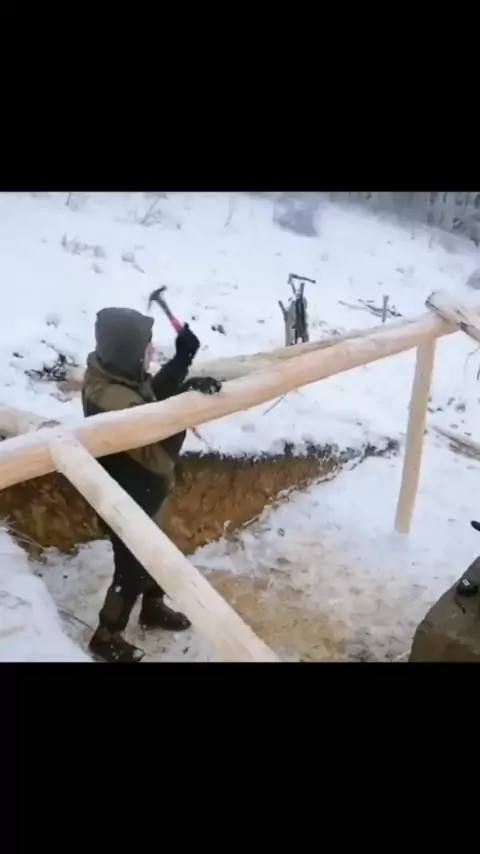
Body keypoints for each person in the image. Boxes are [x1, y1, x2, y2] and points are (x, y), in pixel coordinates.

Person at [82, 306, 221, 662]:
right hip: (123, 496)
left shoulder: (118, 375)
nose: (152, 351)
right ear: (128, 352)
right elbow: (158, 449)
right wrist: (186, 404)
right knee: (132, 568)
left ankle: (152, 608)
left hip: (144, 488)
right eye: (146, 347)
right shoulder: (110, 399)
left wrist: (181, 361)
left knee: (160, 551)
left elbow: (151, 400)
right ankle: (106, 636)